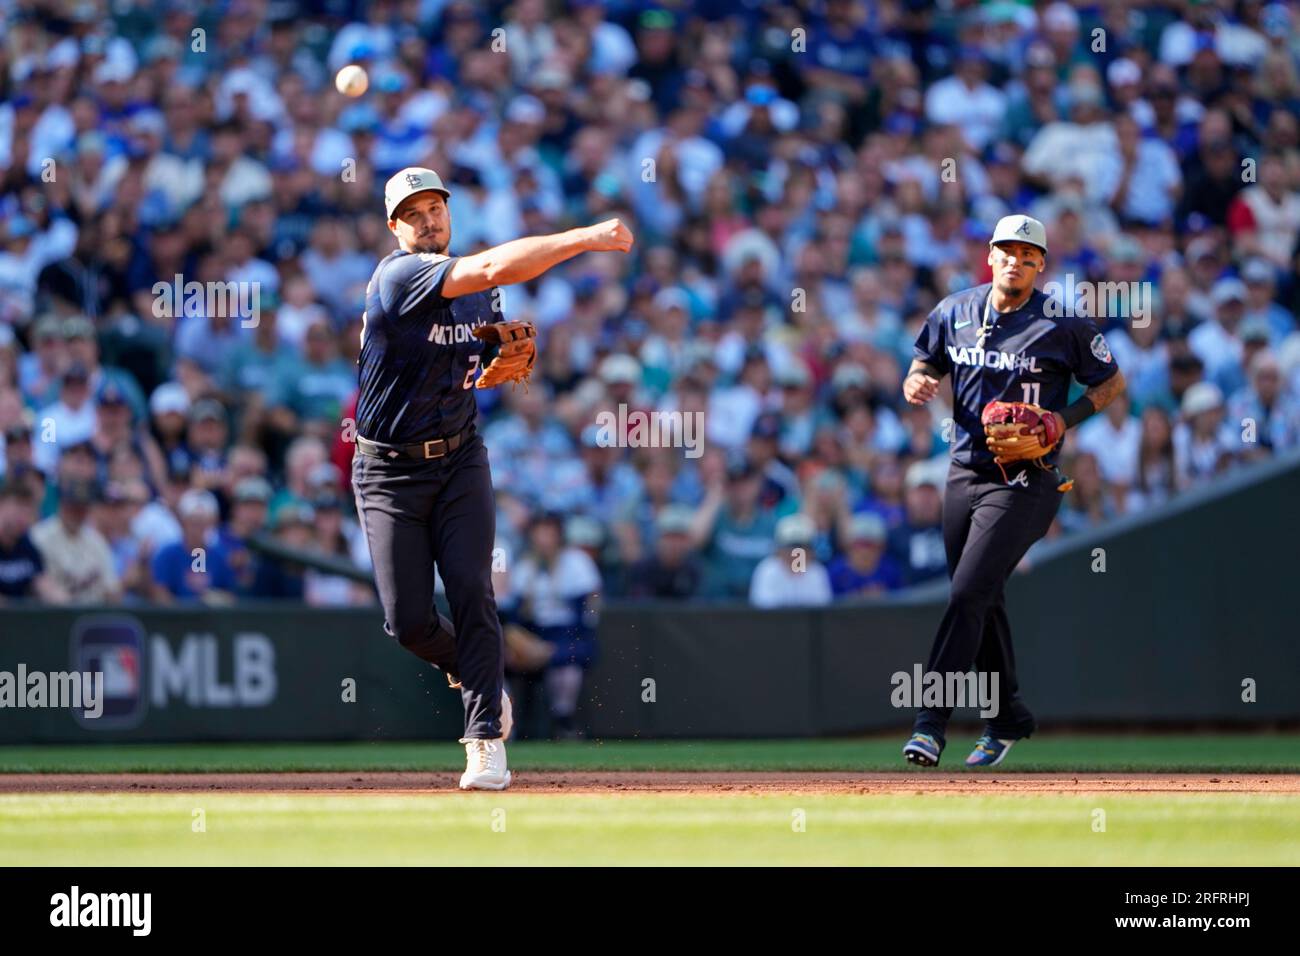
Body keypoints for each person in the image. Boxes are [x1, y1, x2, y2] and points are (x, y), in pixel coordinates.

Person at [350, 166, 632, 789]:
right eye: (415, 213)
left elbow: (483, 358)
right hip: (388, 471)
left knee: (474, 588)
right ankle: (477, 674)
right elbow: (487, 271)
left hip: (459, 459)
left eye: (436, 208)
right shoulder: (400, 276)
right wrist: (584, 237)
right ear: (395, 227)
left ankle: (484, 740)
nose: (430, 220)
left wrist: (498, 366)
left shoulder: (476, 292)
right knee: (409, 622)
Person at [900, 214, 1126, 768]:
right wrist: (916, 380)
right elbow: (924, 362)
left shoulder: (1061, 322)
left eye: (1029, 254)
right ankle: (1007, 718)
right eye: (1008, 250)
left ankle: (930, 722)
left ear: (1041, 265)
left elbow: (1112, 383)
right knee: (983, 597)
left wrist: (1060, 421)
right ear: (991, 255)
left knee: (966, 594)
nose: (1017, 261)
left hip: (1027, 480)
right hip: (964, 471)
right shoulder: (954, 309)